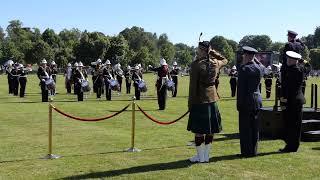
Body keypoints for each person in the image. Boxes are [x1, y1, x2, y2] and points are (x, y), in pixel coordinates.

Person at [187, 40, 228, 163]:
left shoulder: (196, 65)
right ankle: (206, 156)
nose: (197, 51)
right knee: (210, 130)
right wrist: (212, 52)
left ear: (202, 50)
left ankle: (200, 157)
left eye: (198, 49)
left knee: (199, 131)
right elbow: (225, 59)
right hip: (212, 100)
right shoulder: (216, 62)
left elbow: (192, 87)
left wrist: (190, 104)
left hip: (199, 101)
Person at [237, 46, 264, 157]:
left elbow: (241, 89)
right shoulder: (259, 68)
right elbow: (262, 67)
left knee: (245, 128)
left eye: (244, 55)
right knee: (254, 127)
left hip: (246, 101)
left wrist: (239, 105)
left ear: (247, 55)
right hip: (257, 100)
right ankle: (253, 151)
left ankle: (246, 152)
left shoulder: (244, 69)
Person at [279, 51, 306, 153]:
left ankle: (291, 146)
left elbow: (286, 89)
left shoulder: (291, 71)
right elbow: (307, 66)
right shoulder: (299, 69)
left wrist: (283, 102)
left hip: (291, 100)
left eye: (288, 59)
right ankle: (293, 145)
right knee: (295, 124)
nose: (286, 60)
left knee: (290, 124)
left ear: (291, 60)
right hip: (297, 100)